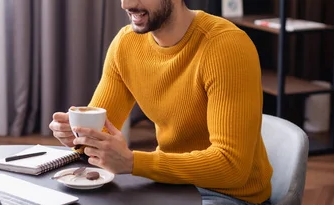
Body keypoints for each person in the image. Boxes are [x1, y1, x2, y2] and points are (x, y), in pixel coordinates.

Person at [48, 0, 272, 204]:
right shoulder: (126, 44)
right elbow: (103, 134)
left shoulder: (226, 46)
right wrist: (80, 136)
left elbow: (232, 167)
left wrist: (133, 163)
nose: (127, 4)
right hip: (170, 184)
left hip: (229, 195)